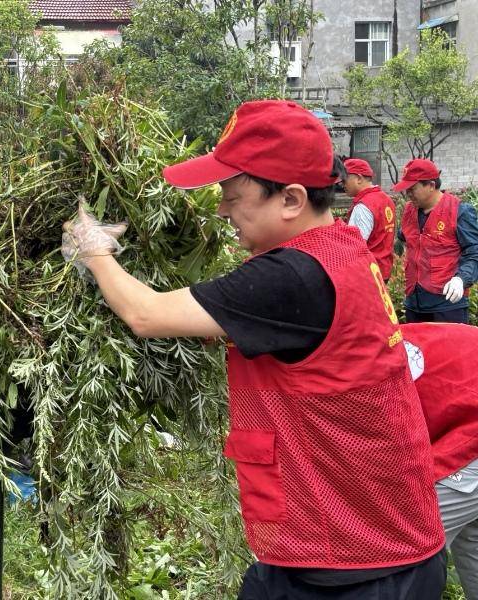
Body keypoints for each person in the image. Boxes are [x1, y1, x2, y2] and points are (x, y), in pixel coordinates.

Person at [61, 100, 445, 598]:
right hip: (353, 537)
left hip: (357, 564)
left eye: (231, 195)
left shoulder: (290, 277)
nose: (221, 210)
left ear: (290, 199)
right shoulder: (339, 246)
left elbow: (145, 314)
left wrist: (93, 250)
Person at [402, 322, 478, 600]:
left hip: (469, 435)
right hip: (463, 416)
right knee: (473, 542)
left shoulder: (351, 368)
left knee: (398, 552)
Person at [394, 158, 478, 323]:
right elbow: (405, 235)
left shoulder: (459, 211)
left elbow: (474, 252)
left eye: (412, 189)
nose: (408, 194)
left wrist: (461, 279)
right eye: (406, 189)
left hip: (446, 303)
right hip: (414, 301)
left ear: (431, 185)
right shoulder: (410, 210)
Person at [342, 158, 395, 281]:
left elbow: (354, 246)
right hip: (383, 268)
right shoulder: (386, 199)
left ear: (359, 178)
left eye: (344, 180)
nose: (342, 185)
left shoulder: (363, 206)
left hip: (367, 272)